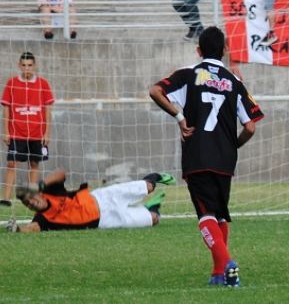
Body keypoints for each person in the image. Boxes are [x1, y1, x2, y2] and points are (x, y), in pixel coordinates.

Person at [149, 26, 263, 287]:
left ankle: (228, 263)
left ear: (198, 50)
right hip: (225, 159)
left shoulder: (189, 74)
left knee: (205, 215)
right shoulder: (235, 81)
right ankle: (218, 273)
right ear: (225, 50)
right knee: (219, 214)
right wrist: (233, 146)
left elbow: (155, 91)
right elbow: (250, 126)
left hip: (198, 155)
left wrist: (179, 118)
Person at [7, 168, 175, 232]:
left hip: (103, 198)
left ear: (37, 193)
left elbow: (61, 173)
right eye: (27, 203)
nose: (31, 202)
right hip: (105, 221)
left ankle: (156, 176)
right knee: (154, 219)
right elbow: (32, 228)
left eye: (31, 197)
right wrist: (17, 229)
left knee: (148, 187)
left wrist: (40, 184)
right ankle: (153, 206)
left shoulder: (51, 191)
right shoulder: (42, 219)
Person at [1, 52, 54, 207]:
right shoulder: (11, 83)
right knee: (11, 163)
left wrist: (47, 133)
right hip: (17, 132)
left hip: (37, 133)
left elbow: (47, 111)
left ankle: (31, 196)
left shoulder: (43, 84)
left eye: (30, 65)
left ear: (34, 66)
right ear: (19, 66)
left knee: (34, 164)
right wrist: (6, 131)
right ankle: (5, 198)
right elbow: (6, 109)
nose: (27, 69)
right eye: (24, 65)